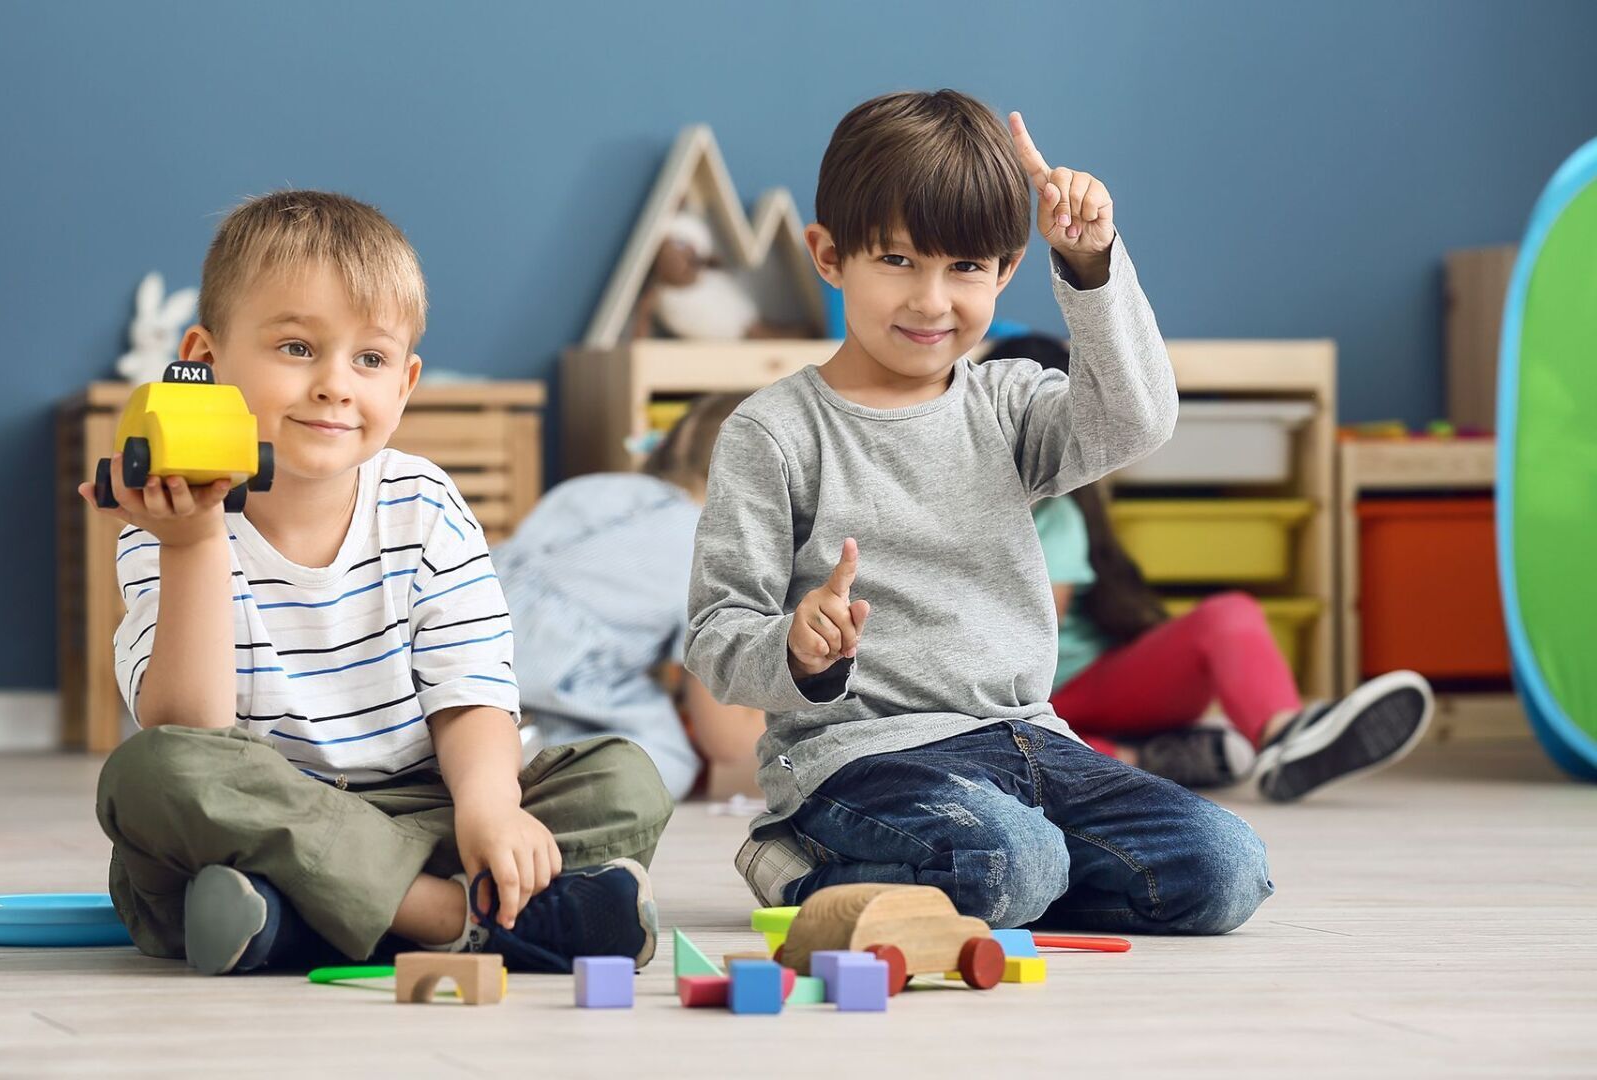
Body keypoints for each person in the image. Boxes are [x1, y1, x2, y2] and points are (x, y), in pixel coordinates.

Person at [688, 90, 1271, 934]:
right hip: (861, 760)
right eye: (897, 261)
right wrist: (797, 650)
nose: (932, 301)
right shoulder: (774, 433)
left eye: (965, 267)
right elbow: (716, 633)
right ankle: (802, 859)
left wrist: (1093, 261)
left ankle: (992, 882)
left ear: (1005, 270)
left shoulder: (1010, 404)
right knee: (1010, 860)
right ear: (828, 256)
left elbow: (1138, 419)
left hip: (1032, 743)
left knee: (1225, 869)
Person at [78, 190, 671, 975]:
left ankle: (296, 919)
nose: (334, 385)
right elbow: (191, 728)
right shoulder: (169, 520)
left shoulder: (423, 505)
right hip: (261, 816)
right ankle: (450, 915)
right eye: (296, 348)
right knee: (152, 774)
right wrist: (192, 547)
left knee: (624, 778)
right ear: (205, 358)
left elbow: (473, 692)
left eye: (369, 359)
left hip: (420, 806)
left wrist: (489, 808)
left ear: (406, 381)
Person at [987, 333, 1433, 799]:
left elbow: (1037, 623)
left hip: (1084, 682)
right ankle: (1152, 757)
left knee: (1228, 614)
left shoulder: (1053, 513)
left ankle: (1283, 731)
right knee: (1012, 751)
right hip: (1015, 704)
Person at [494, 393, 766, 801]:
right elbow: (725, 739)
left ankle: (496, 738)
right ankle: (532, 757)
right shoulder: (716, 552)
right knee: (664, 759)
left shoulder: (594, 489)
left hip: (458, 637)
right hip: (551, 678)